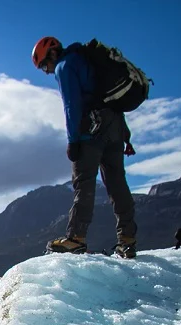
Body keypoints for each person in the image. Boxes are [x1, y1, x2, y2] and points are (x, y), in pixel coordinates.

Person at [32, 36, 138, 259]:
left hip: (91, 129)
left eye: (44, 65)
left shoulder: (64, 66)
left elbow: (71, 105)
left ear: (52, 54)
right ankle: (127, 240)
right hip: (115, 126)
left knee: (84, 182)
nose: (47, 71)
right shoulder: (87, 59)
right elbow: (110, 99)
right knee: (117, 183)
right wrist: (125, 134)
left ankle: (76, 238)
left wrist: (73, 141)